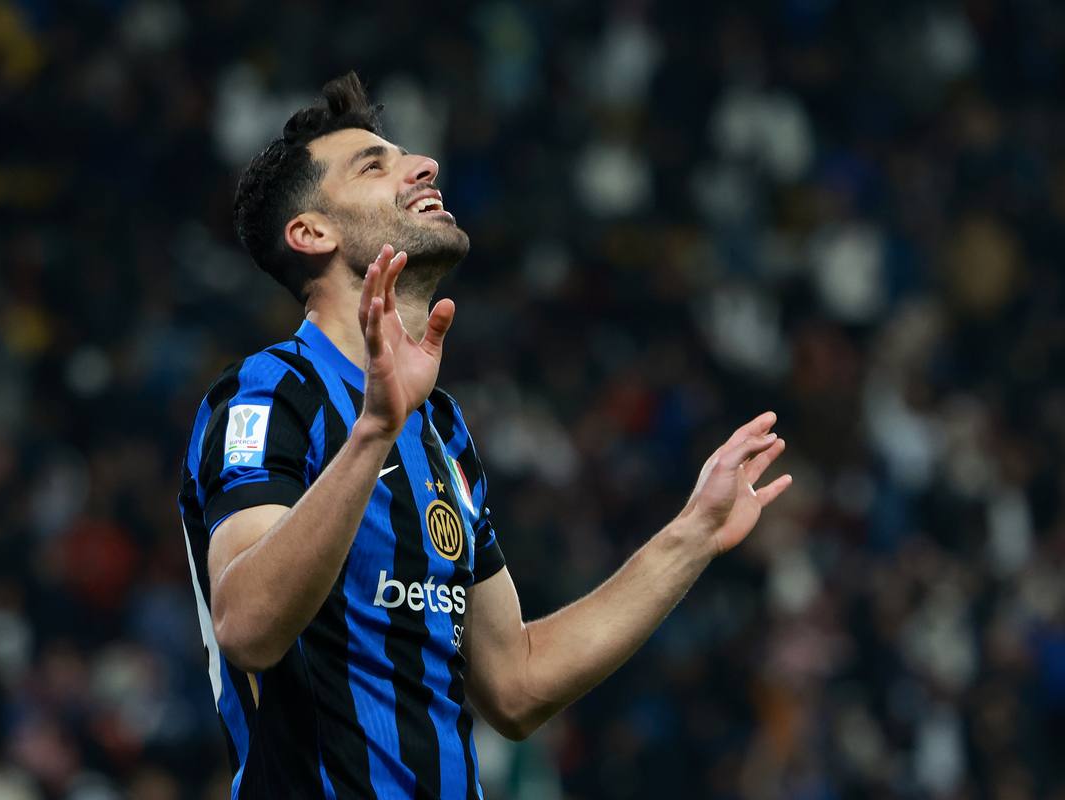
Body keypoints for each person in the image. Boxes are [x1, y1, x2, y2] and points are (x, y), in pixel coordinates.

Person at [179, 72, 791, 800]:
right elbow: (245, 626)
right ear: (312, 233)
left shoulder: (441, 429)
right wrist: (375, 430)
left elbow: (518, 683)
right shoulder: (269, 393)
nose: (423, 166)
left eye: (407, 154)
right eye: (374, 165)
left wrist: (692, 534)